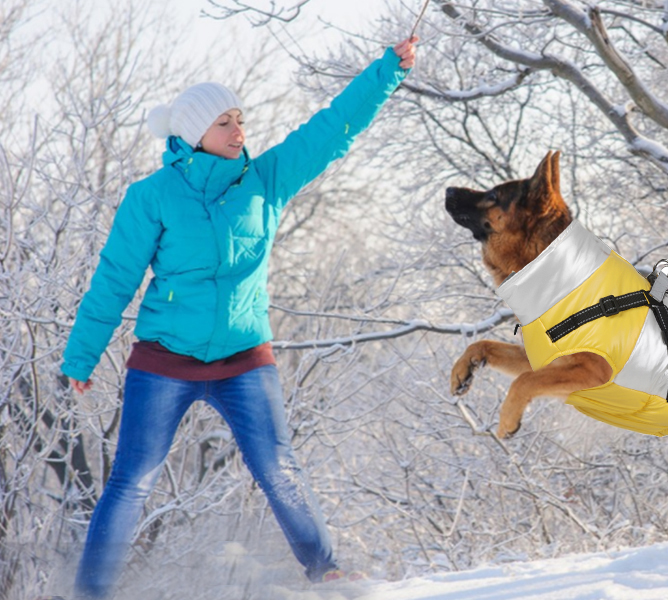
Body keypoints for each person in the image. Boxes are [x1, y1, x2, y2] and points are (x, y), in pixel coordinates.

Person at [60, 37, 418, 599]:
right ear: (194, 133)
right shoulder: (151, 196)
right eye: (225, 122)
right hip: (164, 361)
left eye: (240, 120)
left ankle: (324, 569)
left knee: (279, 467)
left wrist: (387, 71)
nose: (238, 131)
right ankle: (88, 592)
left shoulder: (265, 181)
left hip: (245, 358)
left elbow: (332, 129)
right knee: (132, 481)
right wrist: (81, 356)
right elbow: (114, 280)